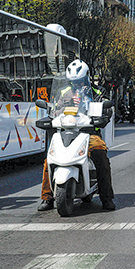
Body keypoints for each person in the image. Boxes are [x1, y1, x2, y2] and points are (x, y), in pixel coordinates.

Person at [38, 59, 115, 211]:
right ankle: (47, 198)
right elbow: (55, 110)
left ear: (86, 77)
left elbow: (106, 108)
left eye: (79, 81)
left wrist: (104, 114)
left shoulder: (98, 92)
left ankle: (107, 198)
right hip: (65, 131)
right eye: (73, 82)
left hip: (89, 132)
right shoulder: (64, 93)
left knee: (100, 155)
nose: (77, 85)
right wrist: (60, 109)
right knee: (49, 160)